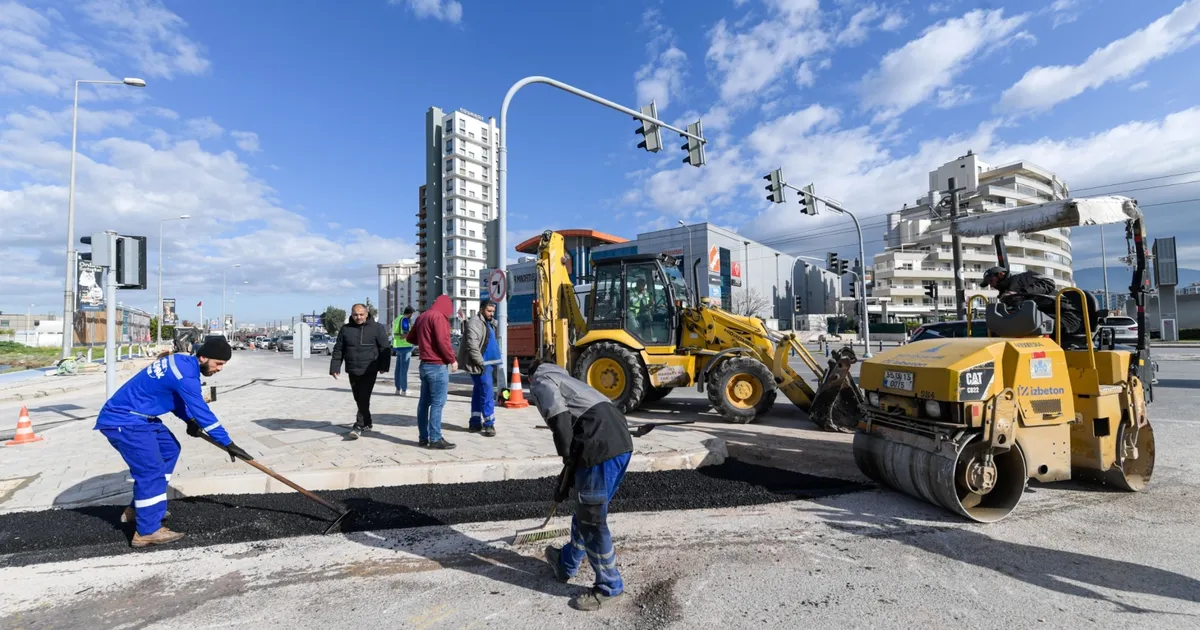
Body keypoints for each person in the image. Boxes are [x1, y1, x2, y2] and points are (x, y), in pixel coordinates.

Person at [95, 336, 251, 548]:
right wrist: (227, 442)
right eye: (219, 363)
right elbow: (201, 409)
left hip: (142, 418)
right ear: (203, 357)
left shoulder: (181, 363)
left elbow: (176, 399)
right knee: (150, 471)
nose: (220, 369)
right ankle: (147, 531)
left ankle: (140, 510)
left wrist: (189, 421)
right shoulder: (186, 375)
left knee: (169, 449)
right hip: (125, 421)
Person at [527, 361, 634, 612]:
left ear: (531, 378)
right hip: (619, 441)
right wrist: (568, 475)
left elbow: (559, 419)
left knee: (592, 520)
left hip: (599, 446)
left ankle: (609, 587)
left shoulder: (542, 380)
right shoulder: (572, 382)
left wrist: (566, 460)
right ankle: (566, 563)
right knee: (587, 510)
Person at [330, 304, 391, 438]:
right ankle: (367, 422)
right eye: (355, 315)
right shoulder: (345, 329)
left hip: (370, 369)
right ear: (351, 315)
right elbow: (338, 349)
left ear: (367, 314)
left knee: (363, 397)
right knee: (358, 398)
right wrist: (335, 367)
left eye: (361, 314)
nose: (358, 317)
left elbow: (384, 348)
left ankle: (358, 425)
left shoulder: (377, 328)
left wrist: (383, 366)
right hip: (352, 369)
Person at [406, 295, 457, 449]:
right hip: (437, 366)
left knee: (424, 403)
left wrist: (425, 341)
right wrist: (452, 360)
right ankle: (435, 439)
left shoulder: (422, 316)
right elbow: (443, 342)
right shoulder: (439, 317)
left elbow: (410, 338)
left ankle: (423, 437)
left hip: (424, 366)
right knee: (437, 404)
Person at [981, 266, 1082, 337]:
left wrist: (1022, 292)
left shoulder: (1023, 278)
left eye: (991, 281)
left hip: (1064, 314)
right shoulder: (1005, 295)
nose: (992, 286)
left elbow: (1048, 283)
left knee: (1038, 327)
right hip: (1041, 316)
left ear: (1001, 275)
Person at [458, 300, 502, 437]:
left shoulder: (488, 322)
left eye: (493, 311)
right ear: (481, 309)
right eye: (489, 311)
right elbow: (472, 346)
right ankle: (489, 423)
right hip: (481, 365)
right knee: (487, 393)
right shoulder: (475, 323)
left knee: (478, 392)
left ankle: (475, 422)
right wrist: (480, 363)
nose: (491, 314)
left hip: (487, 364)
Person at [392, 306, 416, 396]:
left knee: (398, 369)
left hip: (397, 346)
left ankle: (397, 389)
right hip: (405, 346)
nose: (412, 316)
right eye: (412, 314)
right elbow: (405, 333)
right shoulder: (405, 319)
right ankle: (404, 390)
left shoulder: (397, 319)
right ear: (409, 313)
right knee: (403, 370)